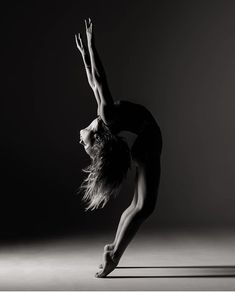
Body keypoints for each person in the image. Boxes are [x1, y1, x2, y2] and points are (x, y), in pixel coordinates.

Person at [75, 18, 162, 278]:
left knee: (138, 204)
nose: (81, 138)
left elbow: (93, 81)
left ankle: (113, 248)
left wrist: (85, 55)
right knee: (145, 206)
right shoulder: (106, 115)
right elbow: (101, 80)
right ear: (97, 136)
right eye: (85, 141)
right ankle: (113, 256)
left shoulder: (105, 116)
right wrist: (92, 45)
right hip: (149, 139)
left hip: (144, 143)